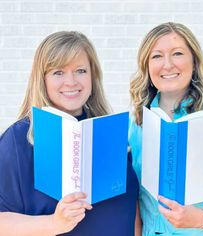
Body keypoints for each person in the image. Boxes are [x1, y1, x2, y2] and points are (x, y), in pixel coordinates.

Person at [0, 31, 140, 236]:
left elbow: (133, 214)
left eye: (81, 70)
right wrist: (54, 224)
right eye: (58, 72)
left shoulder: (110, 133)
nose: (71, 81)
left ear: (93, 76)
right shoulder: (18, 140)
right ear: (42, 79)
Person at [129, 22, 203, 235]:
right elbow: (138, 199)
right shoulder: (139, 121)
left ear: (194, 62)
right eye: (157, 56)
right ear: (147, 66)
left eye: (177, 53)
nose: (167, 65)